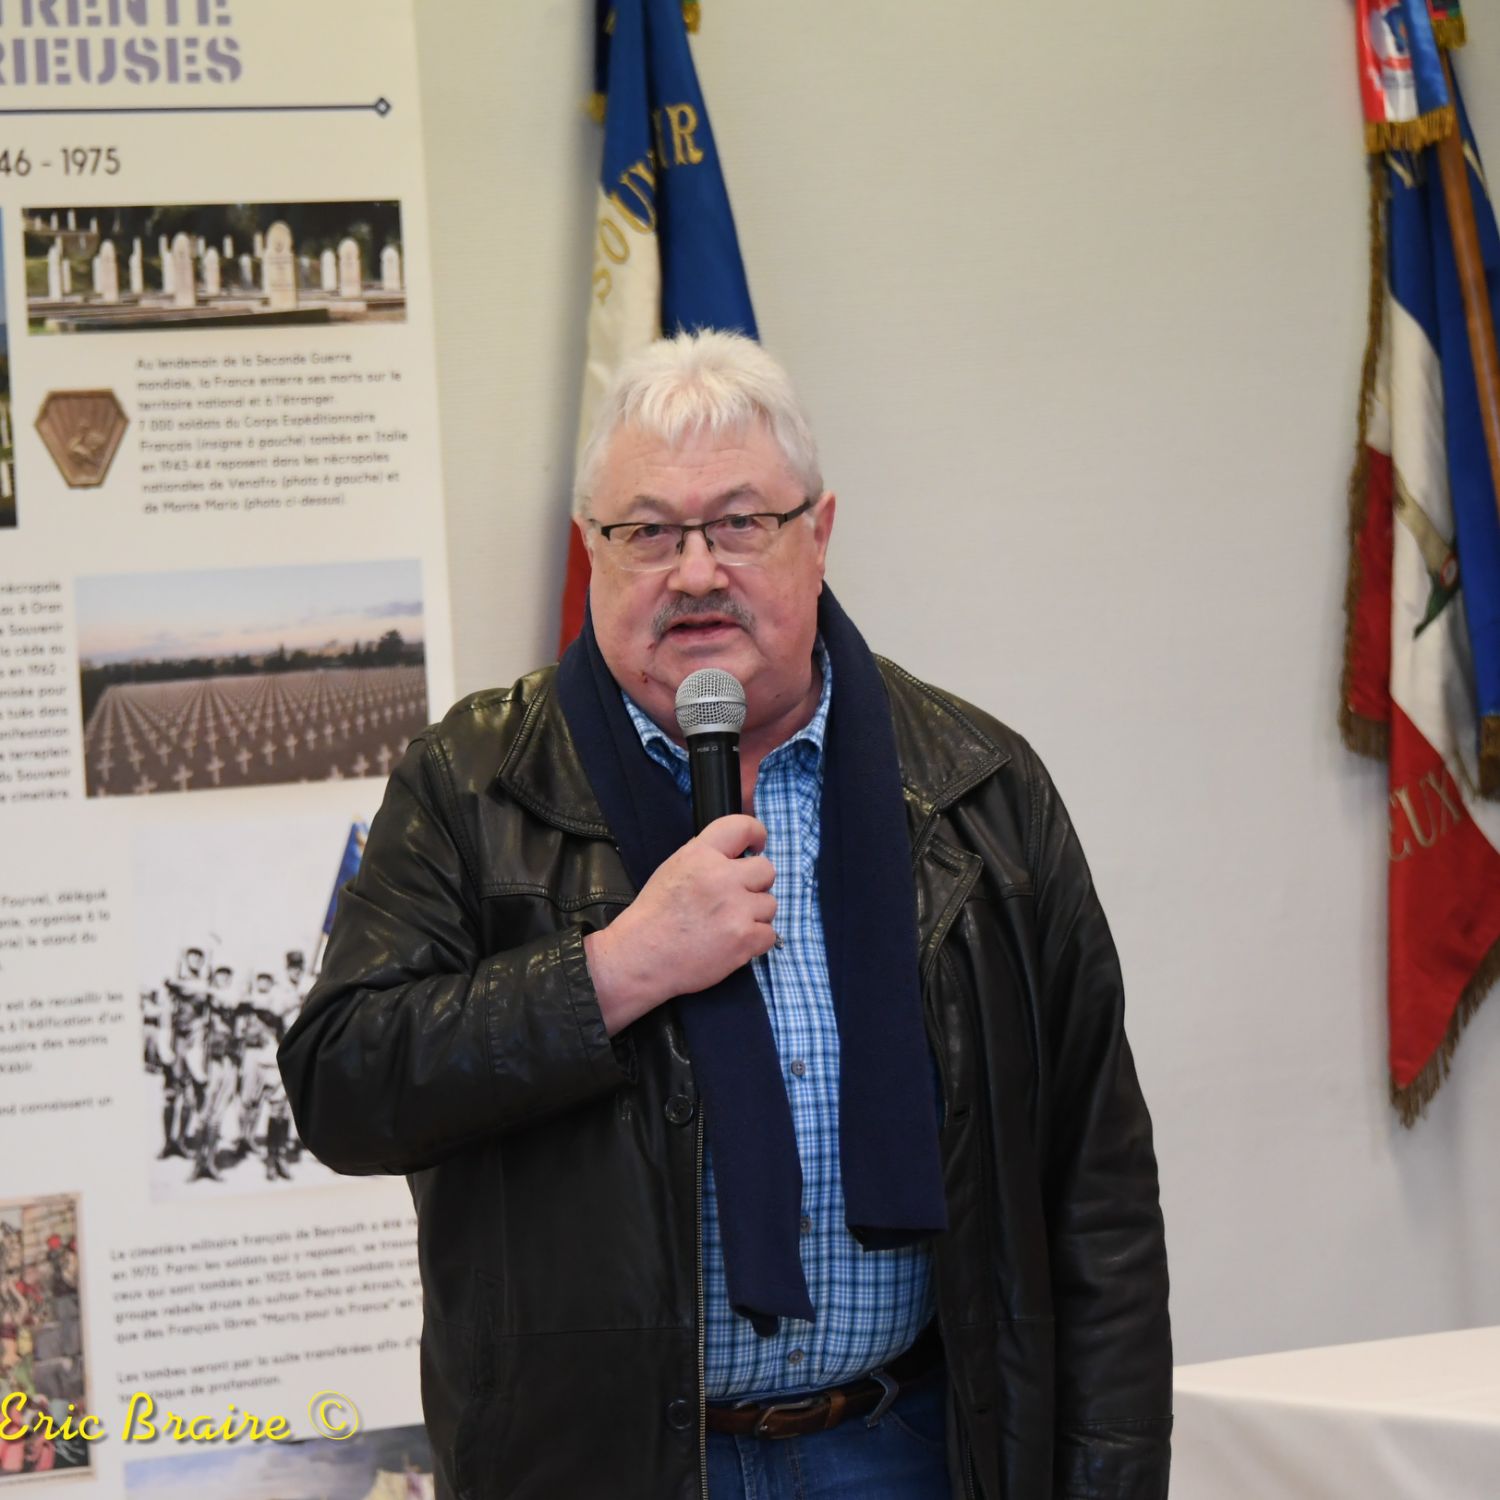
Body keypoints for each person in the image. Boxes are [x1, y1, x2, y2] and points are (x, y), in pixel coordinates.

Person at [279, 331, 1172, 1500]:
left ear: (820, 532)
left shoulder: (981, 787)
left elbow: (1099, 1191)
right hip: (606, 1468)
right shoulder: (471, 784)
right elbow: (342, 1086)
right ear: (592, 549)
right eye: (648, 532)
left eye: (742, 523)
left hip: (915, 1449)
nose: (696, 572)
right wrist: (613, 971)